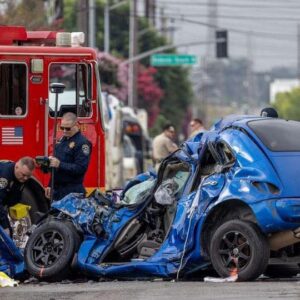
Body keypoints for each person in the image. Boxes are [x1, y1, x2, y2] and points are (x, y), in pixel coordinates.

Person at [45, 112, 92, 201]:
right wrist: (50, 185)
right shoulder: (62, 140)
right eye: (62, 128)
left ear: (76, 125)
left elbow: (80, 168)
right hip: (57, 191)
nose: (64, 131)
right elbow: (55, 168)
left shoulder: (82, 143)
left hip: (72, 192)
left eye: (68, 128)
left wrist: (60, 164)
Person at [0, 157, 35, 235]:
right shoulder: (5, 175)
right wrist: (5, 226)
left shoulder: (21, 177)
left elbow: (13, 199)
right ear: (17, 167)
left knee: (8, 234)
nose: (25, 178)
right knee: (6, 234)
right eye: (24, 175)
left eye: (28, 176)